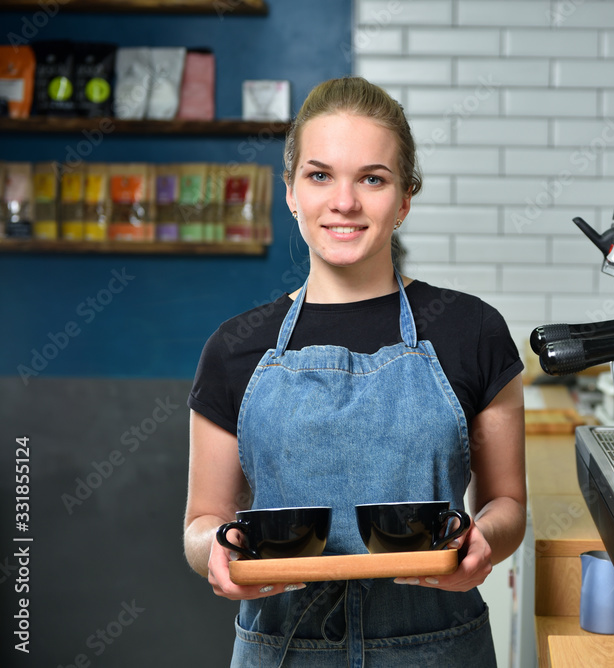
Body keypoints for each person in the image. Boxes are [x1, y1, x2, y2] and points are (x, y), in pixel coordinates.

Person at [183, 76, 526, 667]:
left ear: (406, 198)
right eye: (320, 176)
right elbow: (201, 521)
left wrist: (484, 541)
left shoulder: (472, 330)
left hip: (439, 652)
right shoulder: (234, 348)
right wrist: (214, 550)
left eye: (373, 178)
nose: (345, 202)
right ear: (289, 192)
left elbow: (508, 504)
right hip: (281, 652)